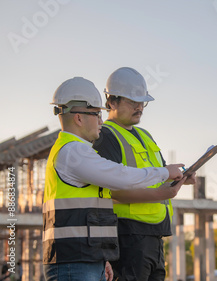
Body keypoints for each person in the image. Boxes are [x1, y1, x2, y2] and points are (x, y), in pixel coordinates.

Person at [43, 77, 187, 281]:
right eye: (96, 114)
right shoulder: (72, 152)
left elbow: (93, 210)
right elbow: (120, 176)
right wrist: (164, 173)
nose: (101, 121)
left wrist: (103, 259)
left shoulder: (78, 152)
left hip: (86, 259)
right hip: (73, 262)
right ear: (78, 118)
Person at [93, 67, 195, 281]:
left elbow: (160, 174)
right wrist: (163, 194)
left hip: (154, 236)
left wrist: (181, 177)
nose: (139, 107)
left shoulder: (144, 135)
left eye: (142, 102)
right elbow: (114, 191)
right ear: (111, 102)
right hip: (128, 237)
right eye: (133, 101)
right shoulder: (106, 137)